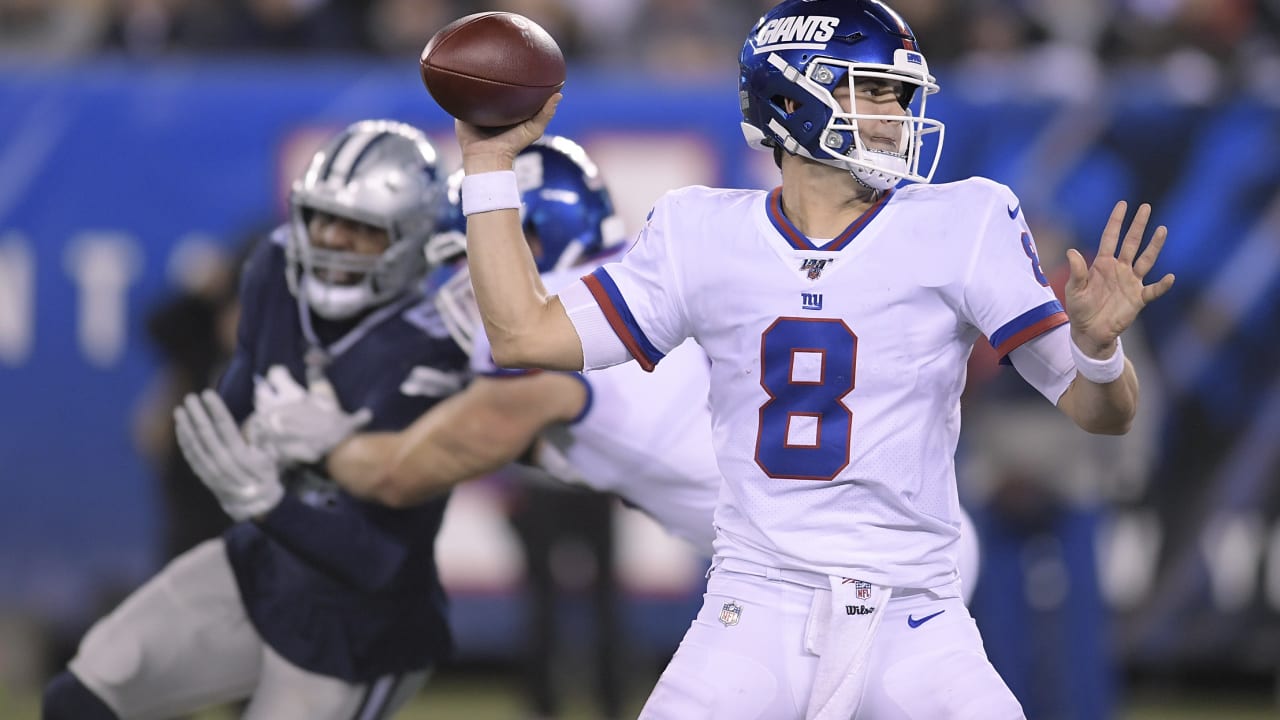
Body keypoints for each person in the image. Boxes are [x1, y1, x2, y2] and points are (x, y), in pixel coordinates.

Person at [449, 0, 1176, 717]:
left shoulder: (967, 220)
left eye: (901, 94)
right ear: (794, 95)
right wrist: (487, 163)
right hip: (754, 607)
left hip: (916, 614)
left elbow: (1099, 414)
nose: (898, 113)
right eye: (877, 90)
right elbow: (522, 336)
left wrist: (1100, 350)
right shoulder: (700, 232)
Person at [42, 119, 470, 720]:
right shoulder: (275, 268)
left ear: (413, 239)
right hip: (259, 566)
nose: (329, 239)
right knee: (84, 696)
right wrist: (247, 436)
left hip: (359, 631)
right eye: (322, 217)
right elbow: (236, 399)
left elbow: (380, 560)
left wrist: (270, 496)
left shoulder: (431, 353)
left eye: (359, 229)